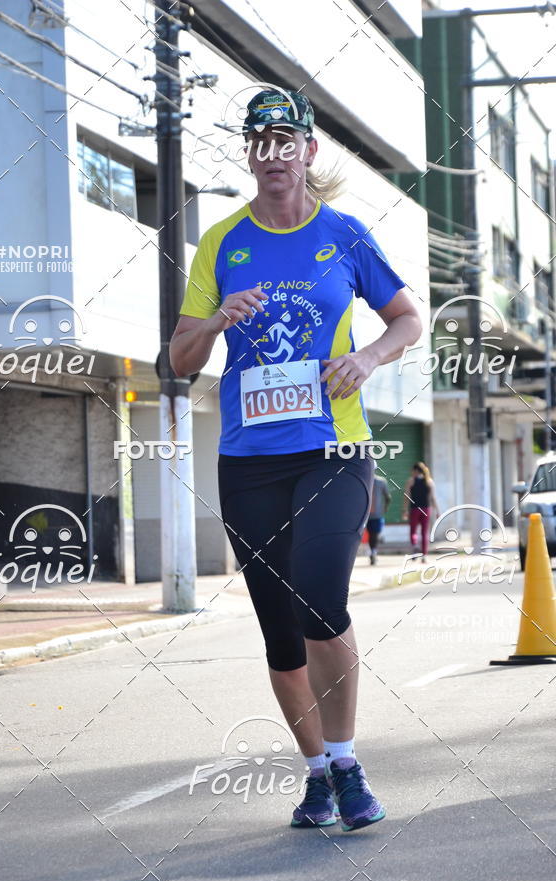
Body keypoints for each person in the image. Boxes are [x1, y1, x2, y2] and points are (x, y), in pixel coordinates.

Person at [170, 88, 422, 831]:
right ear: (250, 155)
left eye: (287, 141)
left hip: (333, 449)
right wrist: (217, 319)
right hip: (249, 460)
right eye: (260, 142)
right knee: (280, 629)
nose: (273, 154)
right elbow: (179, 360)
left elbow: (407, 317)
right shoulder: (220, 242)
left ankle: (346, 762)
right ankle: (316, 773)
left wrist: (370, 356)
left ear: (308, 152)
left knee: (319, 597)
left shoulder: (343, 235)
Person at [401, 462, 440, 563]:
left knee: (413, 531)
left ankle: (414, 547)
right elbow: (433, 498)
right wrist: (438, 511)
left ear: (415, 471)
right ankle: (424, 556)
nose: (411, 473)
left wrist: (405, 510)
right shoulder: (429, 481)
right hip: (426, 509)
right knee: (424, 532)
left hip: (414, 509)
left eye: (412, 471)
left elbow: (407, 497)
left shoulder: (411, 481)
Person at [366, 470, 391, 564]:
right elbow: (388, 497)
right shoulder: (381, 481)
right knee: (374, 534)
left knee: (371, 534)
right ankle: (373, 552)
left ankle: (373, 552)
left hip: (367, 514)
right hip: (376, 513)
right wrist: (385, 508)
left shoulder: (365, 480)